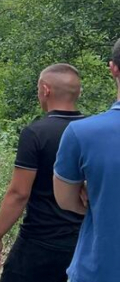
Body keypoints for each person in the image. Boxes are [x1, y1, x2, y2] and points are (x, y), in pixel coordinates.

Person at [0, 64, 85, 282]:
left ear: (45, 90)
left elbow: (19, 193)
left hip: (40, 241)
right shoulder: (93, 130)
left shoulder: (36, 133)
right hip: (85, 240)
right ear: (79, 93)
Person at [53, 38, 120, 282]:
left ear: (113, 67)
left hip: (99, 269)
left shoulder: (82, 133)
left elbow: (67, 200)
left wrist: (100, 197)